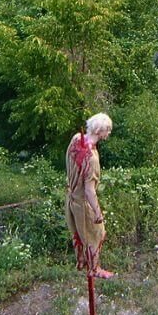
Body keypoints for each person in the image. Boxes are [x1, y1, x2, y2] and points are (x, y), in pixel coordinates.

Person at [65, 112, 114, 279]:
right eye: (107, 130)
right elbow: (89, 190)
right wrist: (98, 212)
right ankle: (94, 268)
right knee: (97, 233)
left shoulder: (76, 139)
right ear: (99, 131)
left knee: (80, 232)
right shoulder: (91, 158)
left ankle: (81, 260)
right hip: (82, 202)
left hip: (71, 197)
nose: (108, 133)